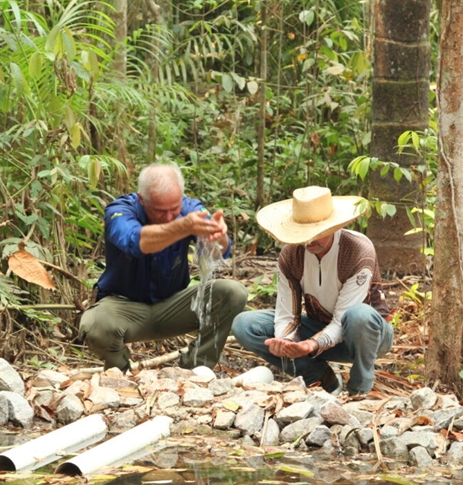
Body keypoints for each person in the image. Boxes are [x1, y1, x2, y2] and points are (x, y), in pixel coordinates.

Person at [79, 163, 247, 371]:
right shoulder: (120, 210)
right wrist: (181, 226)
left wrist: (217, 235)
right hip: (123, 308)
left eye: (174, 209)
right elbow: (135, 242)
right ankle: (119, 372)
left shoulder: (190, 208)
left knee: (233, 292)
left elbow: (220, 252)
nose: (168, 216)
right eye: (159, 211)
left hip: (172, 306)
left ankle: (197, 369)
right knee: (95, 324)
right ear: (142, 199)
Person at [231, 186, 393, 395]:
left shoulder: (357, 250)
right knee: (245, 324)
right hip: (318, 328)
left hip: (367, 336)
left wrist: (311, 345)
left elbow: (343, 318)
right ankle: (319, 377)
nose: (308, 241)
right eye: (303, 234)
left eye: (317, 234)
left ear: (334, 227)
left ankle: (359, 390)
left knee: (358, 315)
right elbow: (286, 314)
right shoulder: (291, 255)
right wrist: (286, 342)